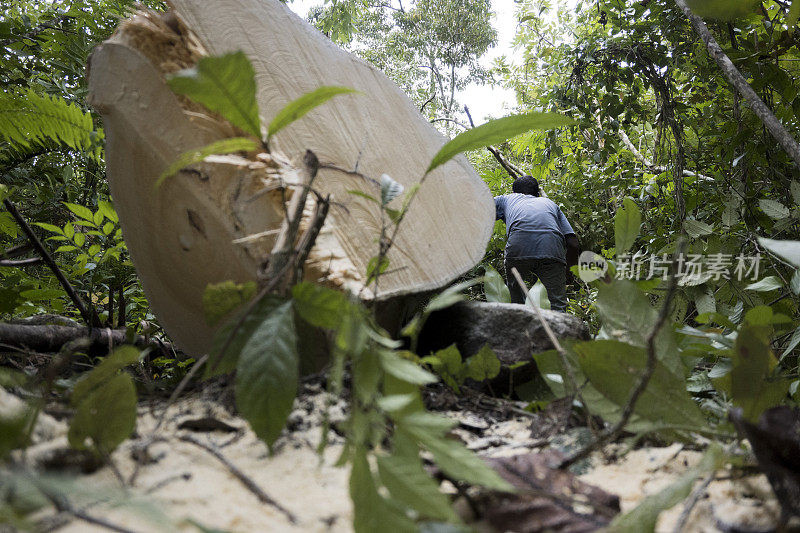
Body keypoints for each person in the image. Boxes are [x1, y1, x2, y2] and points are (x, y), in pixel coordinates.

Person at [494, 176, 579, 312]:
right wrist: (569, 273)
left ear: (514, 193)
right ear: (537, 193)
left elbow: (480, 209)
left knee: (517, 305)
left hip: (518, 250)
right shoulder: (550, 204)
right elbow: (573, 243)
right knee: (556, 306)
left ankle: (519, 324)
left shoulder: (507, 199)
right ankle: (558, 331)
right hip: (551, 251)